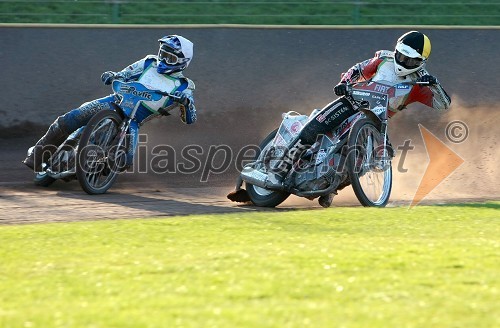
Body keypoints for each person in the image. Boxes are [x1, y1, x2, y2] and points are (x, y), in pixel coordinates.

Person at [237, 30, 451, 206]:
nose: (402, 61)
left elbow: (444, 105)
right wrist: (345, 82)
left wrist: (434, 84)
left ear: (420, 62)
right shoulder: (383, 59)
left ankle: (330, 187)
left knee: (368, 160)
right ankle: (278, 170)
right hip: (351, 102)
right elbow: (358, 69)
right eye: (400, 55)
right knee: (315, 128)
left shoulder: (419, 83)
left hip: (375, 121)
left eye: (409, 59)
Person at [23, 34, 197, 172]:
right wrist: (113, 75)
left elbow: (190, 119)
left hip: (135, 121)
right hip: (113, 102)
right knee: (70, 118)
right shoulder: (148, 62)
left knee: (125, 160)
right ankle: (37, 155)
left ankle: (99, 170)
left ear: (182, 62)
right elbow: (124, 73)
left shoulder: (184, 86)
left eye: (170, 57)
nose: (164, 59)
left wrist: (186, 103)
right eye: (163, 54)